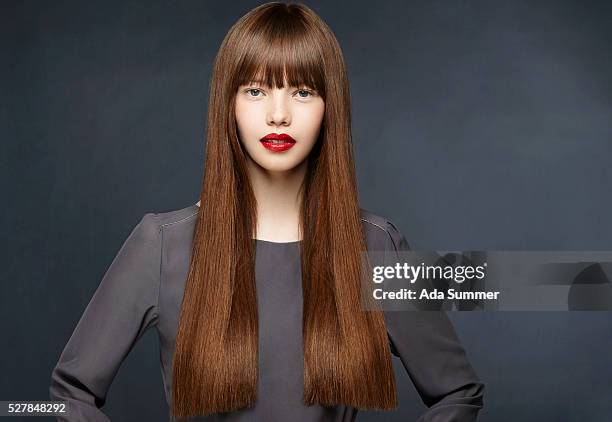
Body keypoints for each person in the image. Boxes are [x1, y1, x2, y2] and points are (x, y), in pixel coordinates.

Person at [50, 2, 485, 421]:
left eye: (302, 91)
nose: (279, 115)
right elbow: (72, 393)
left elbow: (457, 394)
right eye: (256, 91)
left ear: (329, 107)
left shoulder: (377, 245)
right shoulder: (163, 245)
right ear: (229, 104)